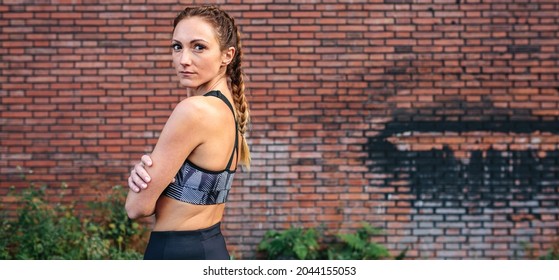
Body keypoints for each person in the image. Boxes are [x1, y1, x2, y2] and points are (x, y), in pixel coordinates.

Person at [125, 5, 250, 260]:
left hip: (176, 252)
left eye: (199, 47)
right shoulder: (228, 110)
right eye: (177, 46)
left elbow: (136, 208)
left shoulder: (194, 110)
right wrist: (159, 176)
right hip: (212, 247)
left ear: (227, 55)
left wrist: (145, 179)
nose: (184, 59)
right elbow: (193, 188)